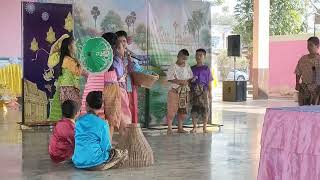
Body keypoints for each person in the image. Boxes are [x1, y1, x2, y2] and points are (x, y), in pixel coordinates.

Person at [72, 91, 128, 170]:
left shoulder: (78, 122)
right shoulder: (103, 124)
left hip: (78, 162)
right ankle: (108, 164)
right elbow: (106, 147)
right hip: (96, 163)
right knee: (119, 154)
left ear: (86, 104)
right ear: (101, 106)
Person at [49, 35, 84, 121]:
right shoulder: (68, 60)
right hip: (68, 88)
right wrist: (82, 64)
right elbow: (78, 72)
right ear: (69, 47)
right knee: (74, 110)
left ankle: (66, 130)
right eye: (74, 44)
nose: (75, 46)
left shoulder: (66, 59)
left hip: (66, 88)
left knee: (70, 111)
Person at [166, 49, 193, 135]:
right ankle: (169, 128)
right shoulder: (173, 66)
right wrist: (180, 81)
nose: (184, 60)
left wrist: (188, 81)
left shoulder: (187, 66)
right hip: (174, 91)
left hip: (184, 92)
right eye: (183, 58)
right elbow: (169, 79)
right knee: (172, 110)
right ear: (178, 56)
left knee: (183, 110)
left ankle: (180, 128)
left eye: (186, 59)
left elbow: (190, 77)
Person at [116, 30, 139, 124]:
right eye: (120, 41)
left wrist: (130, 61)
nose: (122, 43)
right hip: (116, 87)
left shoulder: (130, 54)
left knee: (130, 106)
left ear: (127, 42)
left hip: (128, 85)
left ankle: (130, 129)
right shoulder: (113, 55)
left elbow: (137, 69)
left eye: (124, 41)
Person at [190, 49, 213, 133]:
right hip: (194, 91)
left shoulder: (206, 68)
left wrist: (210, 93)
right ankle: (194, 127)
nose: (198, 57)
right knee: (194, 109)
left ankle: (204, 127)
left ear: (204, 57)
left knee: (205, 109)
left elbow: (209, 81)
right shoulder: (192, 68)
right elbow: (188, 81)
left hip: (204, 91)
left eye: (200, 55)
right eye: (197, 55)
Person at [112, 39, 132, 135]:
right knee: (123, 112)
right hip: (119, 89)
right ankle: (124, 133)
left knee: (123, 111)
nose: (124, 49)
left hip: (121, 89)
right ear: (117, 49)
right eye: (123, 48)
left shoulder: (120, 60)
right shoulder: (116, 61)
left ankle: (123, 133)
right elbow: (118, 76)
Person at [295, 37, 320, 105]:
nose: (308, 47)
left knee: (316, 111)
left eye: (311, 45)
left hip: (317, 89)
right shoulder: (303, 59)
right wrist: (297, 83)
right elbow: (298, 72)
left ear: (317, 46)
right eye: (307, 45)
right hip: (305, 88)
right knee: (304, 110)